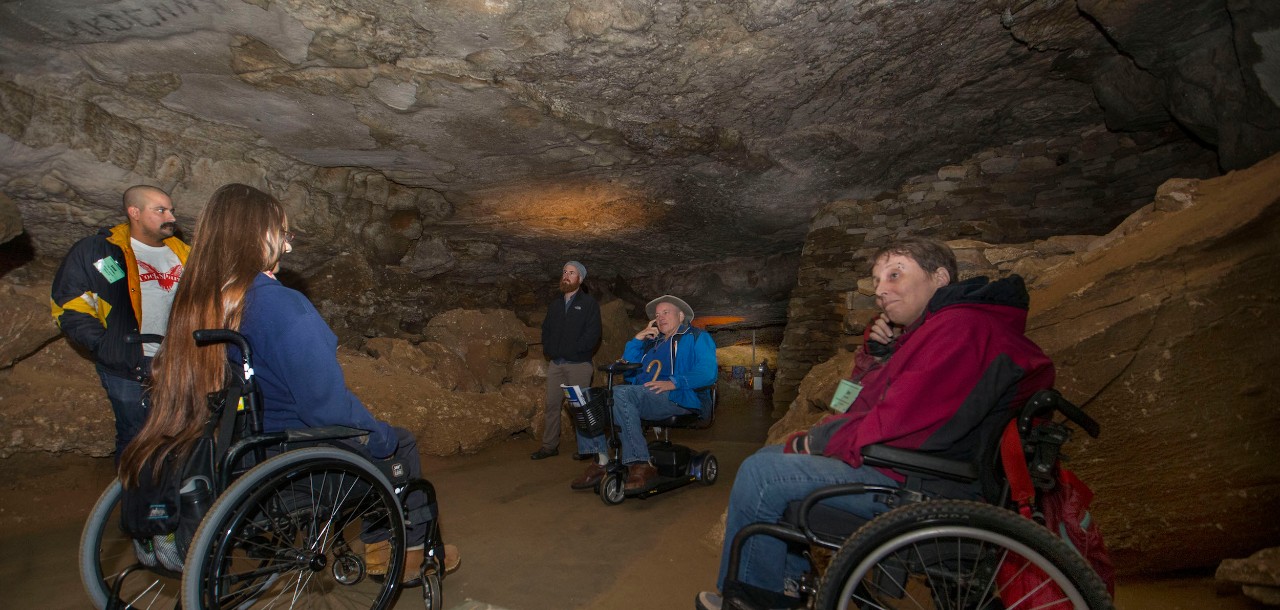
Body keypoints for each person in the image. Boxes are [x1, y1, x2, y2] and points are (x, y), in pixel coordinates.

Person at [116, 183, 458, 579]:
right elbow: (324, 408)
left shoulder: (194, 301)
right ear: (262, 236)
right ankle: (401, 555)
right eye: (284, 234)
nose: (287, 246)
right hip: (289, 459)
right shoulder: (280, 305)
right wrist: (379, 439)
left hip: (228, 457)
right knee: (399, 442)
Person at [695, 237, 1055, 610]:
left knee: (762, 473)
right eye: (878, 279)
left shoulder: (961, 330)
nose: (881, 289)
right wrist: (871, 358)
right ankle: (783, 588)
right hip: (915, 470)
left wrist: (818, 440)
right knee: (773, 460)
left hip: (921, 483)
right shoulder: (927, 335)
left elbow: (899, 424)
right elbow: (844, 403)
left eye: (895, 274)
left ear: (940, 277)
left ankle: (752, 601)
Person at [51, 185, 190, 460]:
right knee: (136, 438)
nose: (170, 217)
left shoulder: (186, 254)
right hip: (127, 364)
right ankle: (138, 501)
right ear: (134, 212)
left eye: (171, 210)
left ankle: (170, 500)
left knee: (179, 439)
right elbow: (69, 303)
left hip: (177, 363)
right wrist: (106, 345)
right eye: (160, 210)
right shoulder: (98, 252)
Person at [572, 295, 717, 492]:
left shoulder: (697, 337)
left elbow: (708, 372)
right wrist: (637, 340)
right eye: (657, 315)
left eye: (666, 312)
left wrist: (674, 382)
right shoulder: (651, 344)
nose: (661, 317)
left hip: (680, 396)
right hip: (646, 394)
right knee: (585, 396)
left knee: (621, 394)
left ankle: (640, 464)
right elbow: (629, 373)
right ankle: (601, 460)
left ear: (681, 315)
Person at [531, 261, 602, 460]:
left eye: (571, 273)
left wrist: (575, 350)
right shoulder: (555, 305)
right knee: (552, 406)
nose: (566, 276)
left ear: (580, 279)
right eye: (564, 272)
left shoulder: (588, 304)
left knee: (580, 406)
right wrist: (549, 349)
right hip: (556, 364)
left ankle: (588, 448)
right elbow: (546, 330)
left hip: (578, 365)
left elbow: (593, 334)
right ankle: (549, 446)